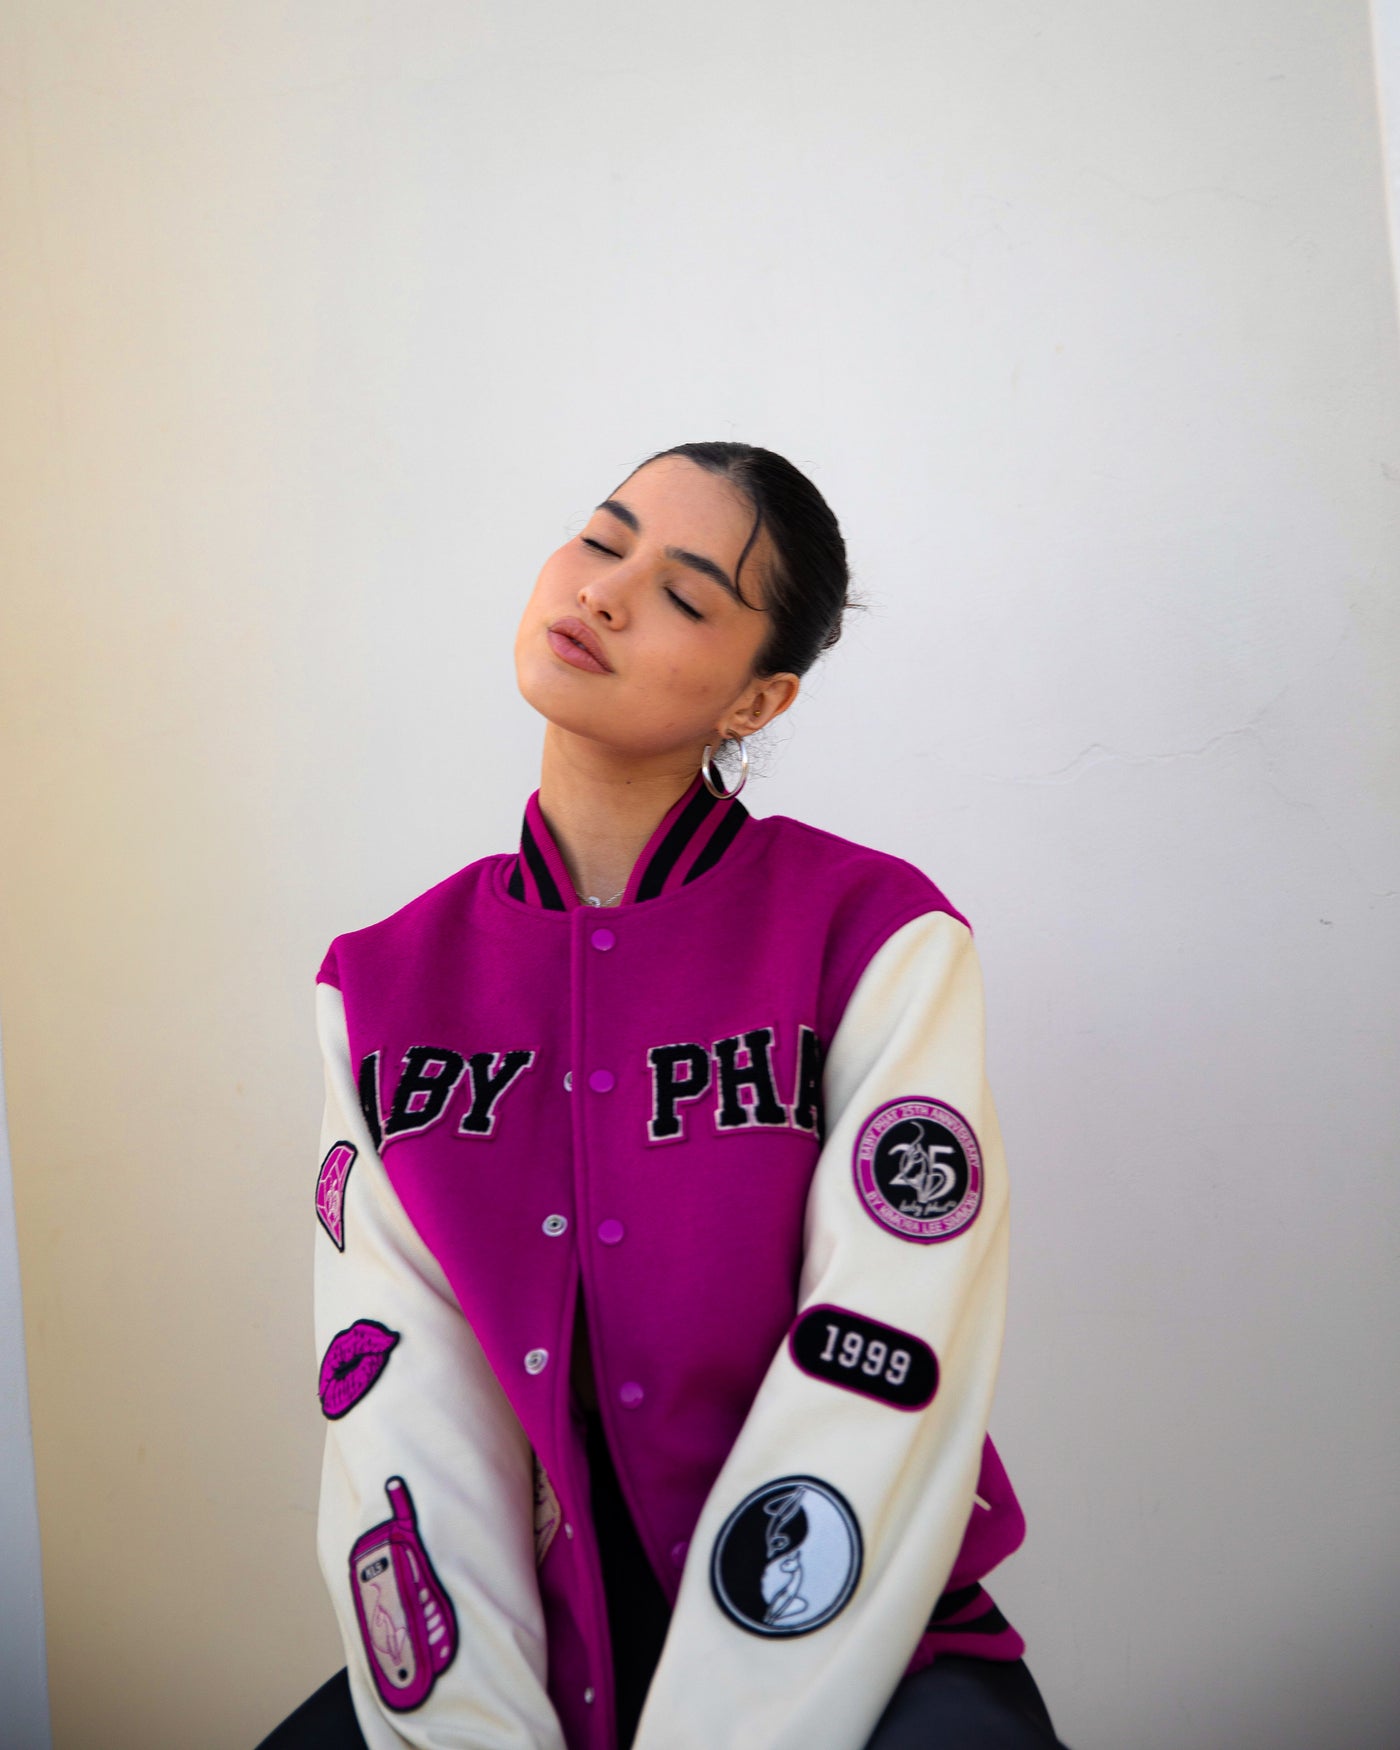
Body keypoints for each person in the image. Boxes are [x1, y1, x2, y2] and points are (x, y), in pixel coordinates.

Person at [257, 442, 1068, 1750]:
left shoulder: (875, 937)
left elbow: (882, 1355)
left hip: (859, 1647)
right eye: (600, 539)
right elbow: (403, 1405)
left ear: (758, 699)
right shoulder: (382, 986)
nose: (606, 592)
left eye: (686, 594)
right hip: (527, 1652)